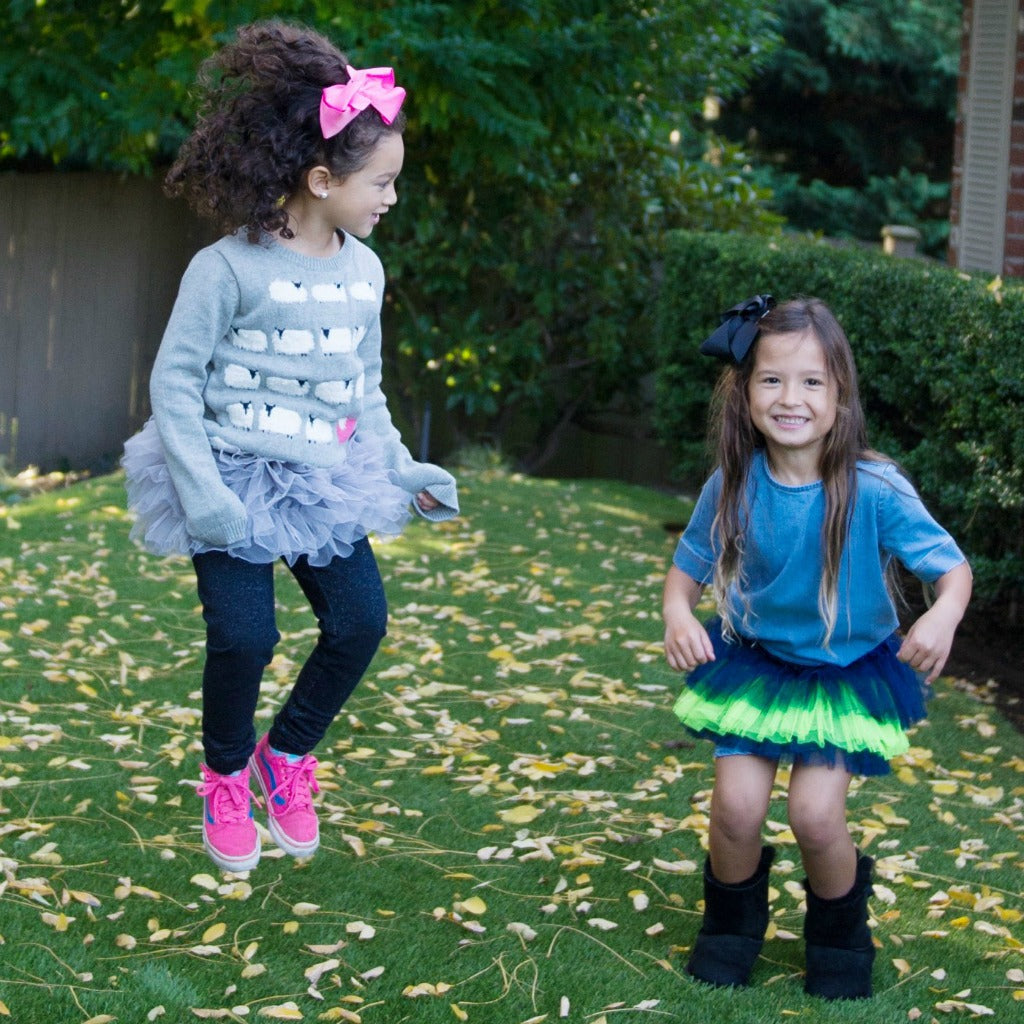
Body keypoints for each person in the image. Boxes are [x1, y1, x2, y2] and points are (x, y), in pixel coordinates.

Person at [122, 21, 458, 874]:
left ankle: (287, 755)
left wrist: (401, 468)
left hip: (322, 480)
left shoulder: (365, 271)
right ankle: (226, 776)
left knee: (361, 622)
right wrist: (204, 494)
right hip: (227, 477)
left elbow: (362, 387)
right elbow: (174, 384)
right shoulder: (226, 268)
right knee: (245, 637)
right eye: (382, 182)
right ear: (321, 179)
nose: (391, 198)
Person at [662, 295, 971, 1000]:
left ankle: (839, 939)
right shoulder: (732, 483)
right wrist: (678, 613)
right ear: (745, 391)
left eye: (811, 382)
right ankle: (730, 931)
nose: (790, 398)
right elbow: (686, 570)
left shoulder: (875, 488)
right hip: (757, 664)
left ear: (840, 396)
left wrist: (942, 616)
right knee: (736, 810)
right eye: (771, 379)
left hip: (844, 674)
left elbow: (953, 571)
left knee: (815, 814)